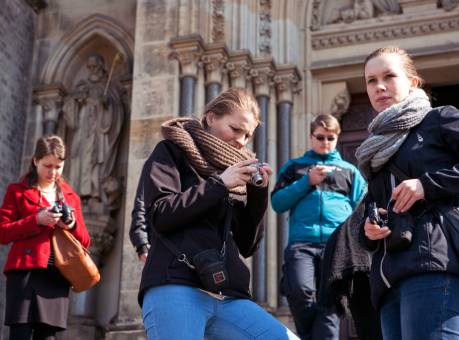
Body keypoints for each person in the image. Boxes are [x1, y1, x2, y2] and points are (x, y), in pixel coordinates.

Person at [137, 88, 299, 340]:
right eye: (236, 130)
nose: (242, 141)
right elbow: (161, 214)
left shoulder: (236, 170)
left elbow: (247, 245)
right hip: (175, 284)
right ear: (211, 117)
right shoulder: (171, 151)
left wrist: (257, 194)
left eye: (248, 135)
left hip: (227, 294)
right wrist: (219, 184)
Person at [355, 46, 459, 340]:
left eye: (389, 76)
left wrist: (427, 184)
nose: (379, 86)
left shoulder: (439, 120)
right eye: (371, 80)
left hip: (436, 264)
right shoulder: (373, 148)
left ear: (413, 83)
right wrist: (368, 229)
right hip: (389, 278)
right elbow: (373, 208)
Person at [271, 114, 366, 340]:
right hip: (302, 241)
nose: (325, 143)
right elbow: (277, 203)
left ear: (337, 138)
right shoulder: (294, 167)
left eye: (330, 138)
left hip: (337, 244)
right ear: (311, 136)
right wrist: (307, 182)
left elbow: (361, 207)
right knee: (299, 290)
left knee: (331, 301)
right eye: (320, 137)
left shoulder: (350, 171)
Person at [0, 135, 91, 340]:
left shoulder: (71, 197)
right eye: (47, 165)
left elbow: (85, 240)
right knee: (20, 334)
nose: (53, 172)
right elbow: (3, 232)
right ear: (35, 161)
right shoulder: (16, 191)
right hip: (24, 272)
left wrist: (71, 224)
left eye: (58, 166)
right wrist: (36, 220)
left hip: (56, 275)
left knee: (48, 337)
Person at [63, 53, 124, 209]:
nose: (92, 69)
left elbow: (116, 108)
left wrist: (107, 104)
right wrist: (76, 99)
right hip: (83, 127)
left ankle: (95, 193)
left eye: (94, 66)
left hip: (98, 129)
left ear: (101, 66)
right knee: (81, 158)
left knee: (96, 159)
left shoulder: (107, 87)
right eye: (89, 66)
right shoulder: (82, 84)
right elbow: (69, 106)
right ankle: (78, 195)